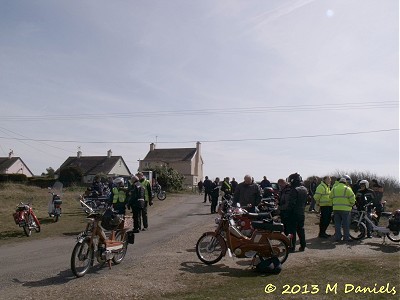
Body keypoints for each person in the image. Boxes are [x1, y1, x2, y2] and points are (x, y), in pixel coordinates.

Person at [286, 173, 308, 252]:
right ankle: (303, 245)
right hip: (301, 212)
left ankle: (292, 247)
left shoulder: (294, 189)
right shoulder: (305, 189)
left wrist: (287, 211)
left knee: (292, 230)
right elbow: (306, 202)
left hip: (294, 212)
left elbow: (292, 203)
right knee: (301, 229)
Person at [330, 175, 356, 242]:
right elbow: (353, 199)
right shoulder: (347, 189)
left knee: (337, 224)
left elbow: (330, 197)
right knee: (346, 224)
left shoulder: (334, 188)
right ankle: (346, 238)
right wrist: (351, 205)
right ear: (345, 182)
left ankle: (338, 237)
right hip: (346, 209)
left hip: (336, 209)